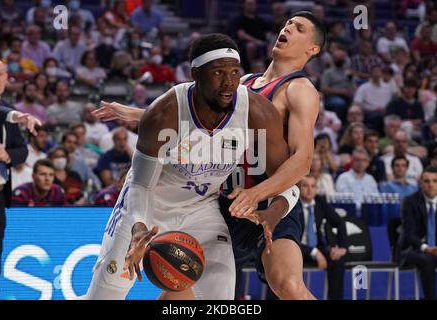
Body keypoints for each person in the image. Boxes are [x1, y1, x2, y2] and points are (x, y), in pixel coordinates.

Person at [92, 12, 325, 300]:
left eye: (299, 28)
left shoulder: (299, 90)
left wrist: (259, 197)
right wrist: (143, 114)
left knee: (287, 285)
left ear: (312, 48)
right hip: (223, 199)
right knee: (181, 280)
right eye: (288, 23)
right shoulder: (244, 84)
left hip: (268, 197)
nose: (288, 28)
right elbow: (196, 118)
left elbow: (301, 162)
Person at [0, 57, 29, 300]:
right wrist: (16, 116)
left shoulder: (9, 108)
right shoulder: (4, 112)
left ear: (6, 77)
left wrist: (7, 153)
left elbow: (22, 150)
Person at [298, 174, 347, 300]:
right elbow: (289, 238)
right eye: (305, 186)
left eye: (313, 186)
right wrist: (314, 252)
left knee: (337, 260)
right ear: (298, 187)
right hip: (295, 249)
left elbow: (340, 222)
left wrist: (342, 247)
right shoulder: (292, 204)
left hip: (317, 246)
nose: (309, 190)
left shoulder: (320, 202)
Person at [398, 166, 437, 300]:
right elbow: (409, 233)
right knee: (428, 259)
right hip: (412, 249)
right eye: (426, 181)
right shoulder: (409, 202)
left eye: (435, 181)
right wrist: (426, 248)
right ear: (420, 183)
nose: (431, 185)